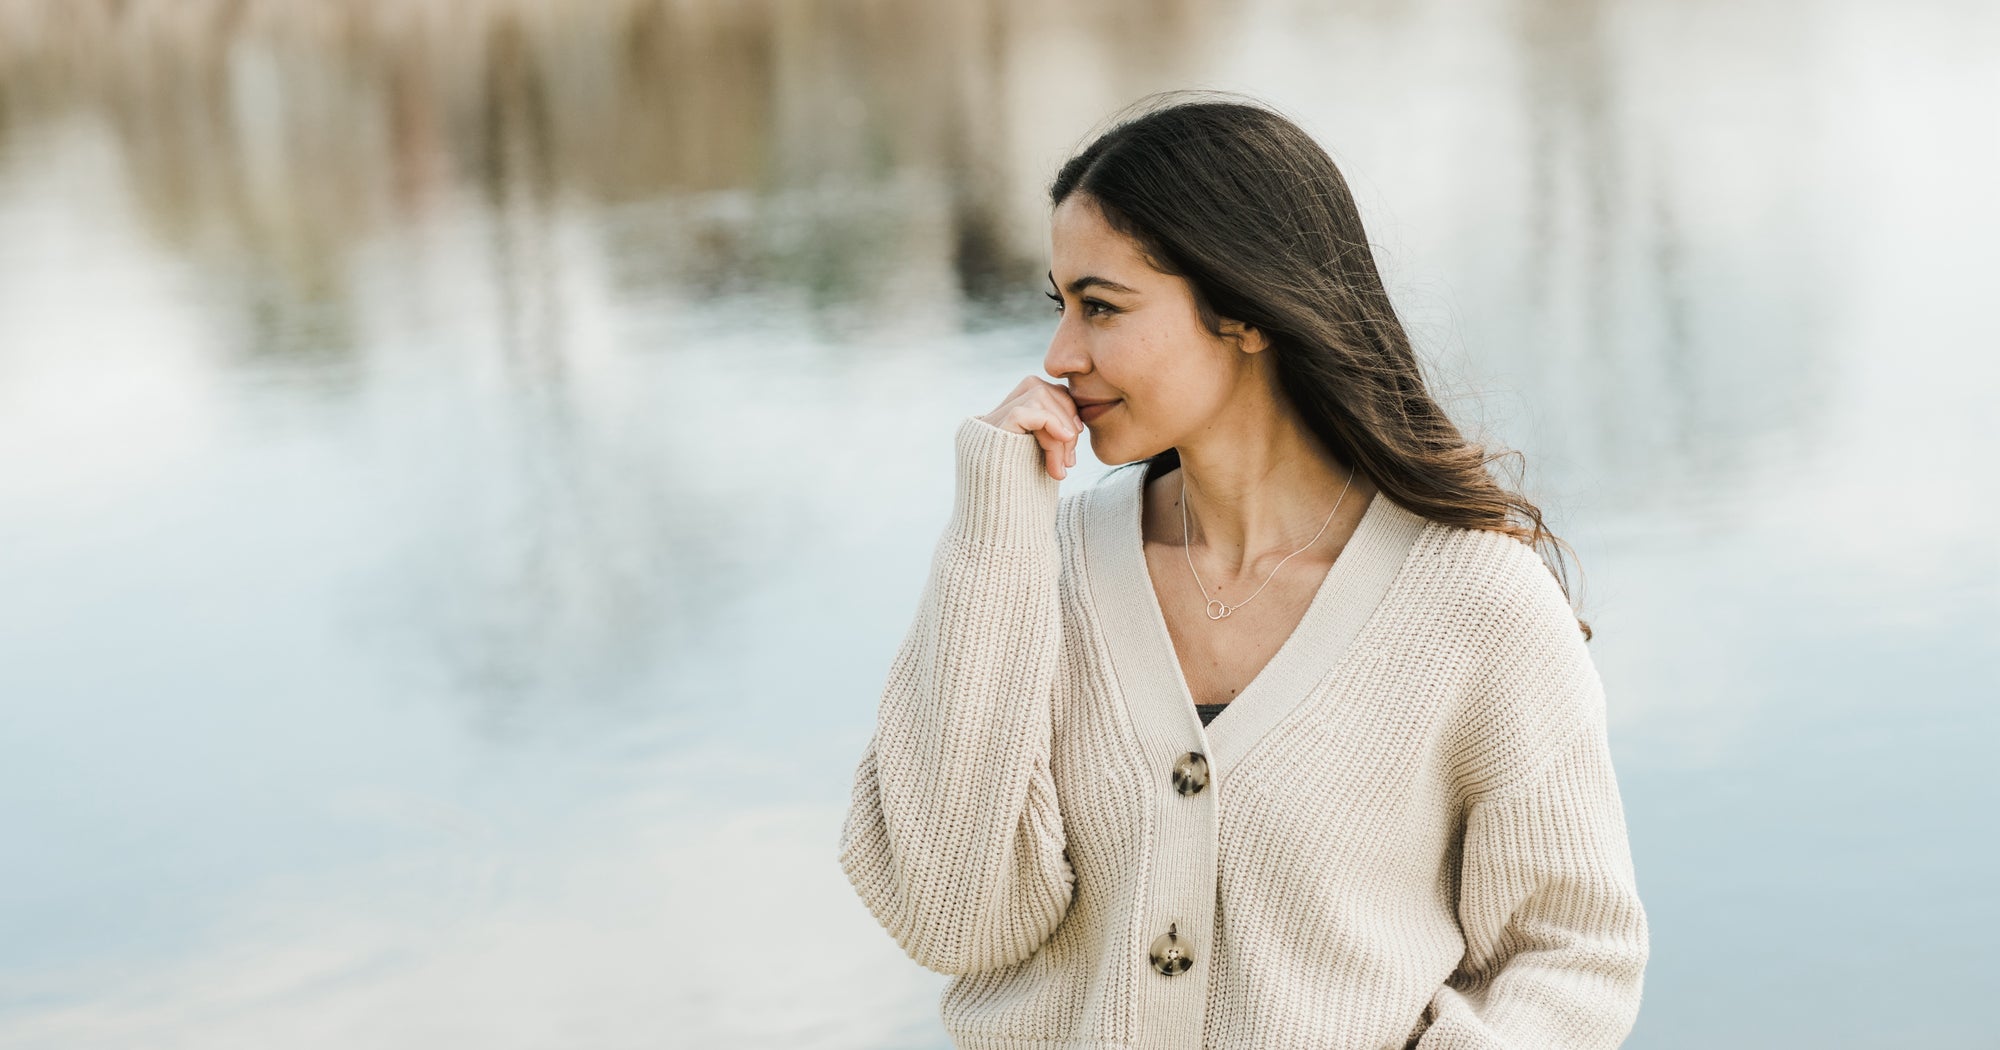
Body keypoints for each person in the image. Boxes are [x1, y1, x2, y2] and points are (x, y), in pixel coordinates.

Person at [836, 91, 1648, 1050]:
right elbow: (951, 915)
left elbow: (1571, 956)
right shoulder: (1035, 572)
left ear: (1249, 313)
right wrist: (993, 532)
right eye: (1062, 306)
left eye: (1103, 307)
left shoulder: (1473, 604)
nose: (1061, 356)